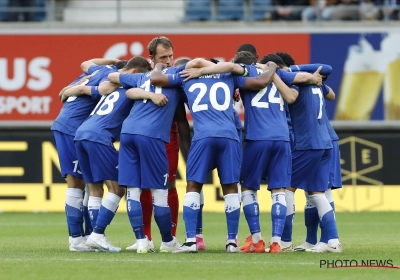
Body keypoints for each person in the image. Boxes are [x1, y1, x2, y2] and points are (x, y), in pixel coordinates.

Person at [151, 57, 279, 253]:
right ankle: (231, 243)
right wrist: (272, 66)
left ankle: (192, 240)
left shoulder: (184, 76)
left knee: (193, 185)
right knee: (229, 187)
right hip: (229, 136)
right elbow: (261, 82)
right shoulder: (229, 75)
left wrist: (160, 65)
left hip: (203, 136)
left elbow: (156, 79)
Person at [234, 52, 322, 253]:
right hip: (282, 139)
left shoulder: (245, 76)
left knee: (248, 188)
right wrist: (313, 77)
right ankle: (276, 242)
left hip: (257, 137)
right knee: (279, 190)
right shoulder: (280, 75)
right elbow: (301, 78)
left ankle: (257, 239)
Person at [66, 57, 153, 252]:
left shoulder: (109, 86)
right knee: (117, 188)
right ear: (133, 73)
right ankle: (97, 234)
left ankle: (94, 238)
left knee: (95, 189)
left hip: (81, 134)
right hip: (99, 136)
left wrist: (68, 90)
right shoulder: (130, 90)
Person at [114, 58, 189, 253]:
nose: (168, 60)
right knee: (159, 192)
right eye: (164, 57)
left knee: (133, 190)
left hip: (129, 132)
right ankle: (166, 242)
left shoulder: (143, 76)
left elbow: (118, 81)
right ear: (153, 58)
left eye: (170, 56)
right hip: (153, 135)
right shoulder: (177, 78)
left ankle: (143, 241)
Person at [51, 57, 121, 251]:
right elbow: (102, 89)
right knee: (77, 183)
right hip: (71, 128)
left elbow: (84, 64)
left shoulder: (95, 70)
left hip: (71, 127)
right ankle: (76, 239)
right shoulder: (111, 77)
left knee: (92, 183)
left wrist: (70, 89)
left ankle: (89, 235)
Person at [276, 52, 342, 253]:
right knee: (316, 191)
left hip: (310, 142)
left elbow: (327, 81)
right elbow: (331, 94)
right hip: (325, 141)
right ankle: (327, 241)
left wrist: (290, 71)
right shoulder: (313, 82)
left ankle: (285, 240)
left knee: (287, 187)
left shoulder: (296, 83)